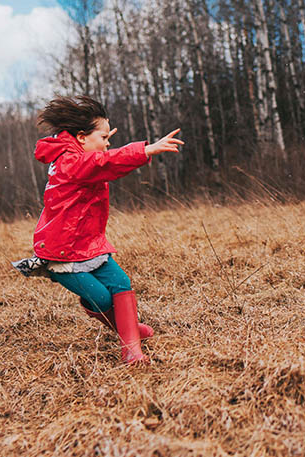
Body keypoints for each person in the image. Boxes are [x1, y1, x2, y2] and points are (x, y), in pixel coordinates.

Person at [12, 95, 183, 364]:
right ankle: (128, 332)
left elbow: (100, 160)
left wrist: (100, 140)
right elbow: (105, 163)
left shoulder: (78, 157)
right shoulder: (71, 163)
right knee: (102, 299)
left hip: (88, 246)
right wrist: (145, 150)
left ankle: (131, 349)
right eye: (104, 138)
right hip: (62, 254)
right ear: (81, 138)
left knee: (121, 284)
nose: (107, 144)